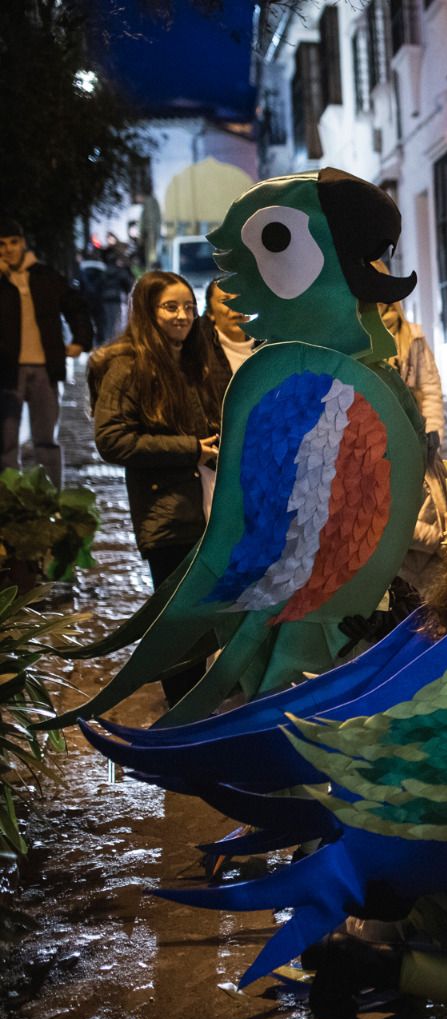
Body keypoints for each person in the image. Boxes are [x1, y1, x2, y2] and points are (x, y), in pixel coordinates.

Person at [91, 270, 227, 706]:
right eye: (171, 307)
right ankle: (183, 721)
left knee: (205, 619)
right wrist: (189, 449)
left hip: (207, 506)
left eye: (189, 307)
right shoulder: (128, 365)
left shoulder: (192, 360)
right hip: (167, 511)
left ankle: (198, 717)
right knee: (178, 628)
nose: (183, 316)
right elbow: (112, 439)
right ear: (148, 312)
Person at [1, 218, 93, 487]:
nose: (8, 250)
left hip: (44, 369)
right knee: (5, 441)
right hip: (7, 371)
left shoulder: (44, 276)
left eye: (13, 243)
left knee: (46, 440)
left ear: (23, 244)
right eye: (2, 245)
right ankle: (8, 500)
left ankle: (50, 500)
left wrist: (81, 341)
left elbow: (76, 306)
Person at [379, 296, 447, 598]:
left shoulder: (412, 336)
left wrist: (431, 434)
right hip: (387, 438)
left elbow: (430, 387)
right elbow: (395, 527)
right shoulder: (362, 337)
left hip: (419, 439)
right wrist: (442, 543)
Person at [199, 279, 254, 374]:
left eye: (241, 298)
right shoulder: (201, 354)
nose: (236, 306)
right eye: (225, 300)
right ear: (210, 312)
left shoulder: (268, 348)